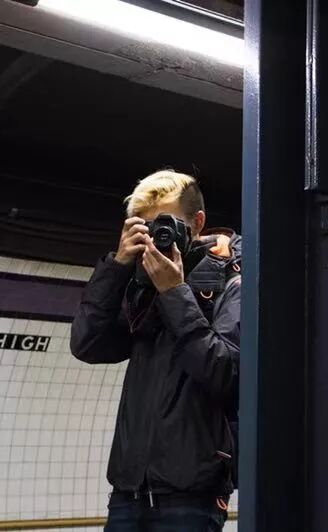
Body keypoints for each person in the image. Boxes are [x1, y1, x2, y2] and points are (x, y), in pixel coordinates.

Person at [71, 170, 241, 532]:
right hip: (128, 490)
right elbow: (87, 344)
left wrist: (175, 293)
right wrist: (117, 267)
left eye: (167, 224)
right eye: (147, 227)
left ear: (198, 223)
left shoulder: (231, 280)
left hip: (192, 495)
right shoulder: (140, 286)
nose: (157, 236)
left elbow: (225, 372)